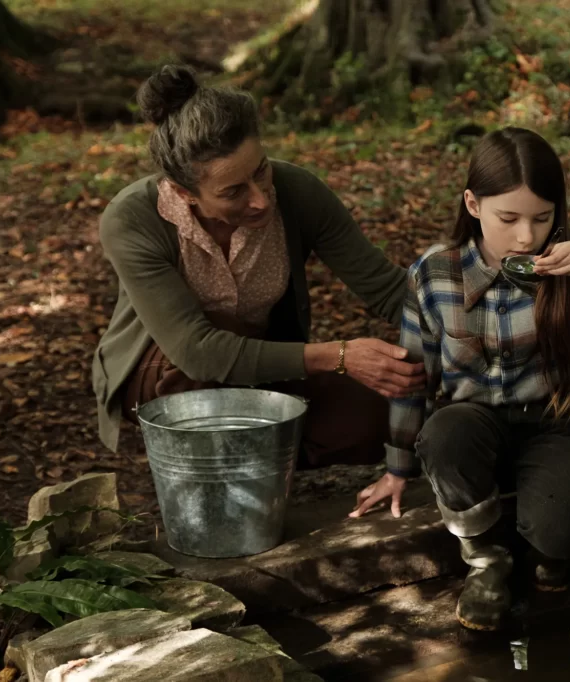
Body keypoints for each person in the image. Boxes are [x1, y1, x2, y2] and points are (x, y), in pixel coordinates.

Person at [349, 127, 570, 631]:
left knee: (561, 538)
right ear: (473, 204)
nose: (525, 237)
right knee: (444, 434)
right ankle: (485, 560)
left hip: (558, 422)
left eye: (542, 217)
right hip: (471, 427)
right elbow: (413, 374)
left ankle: (551, 545)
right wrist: (398, 467)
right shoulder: (436, 272)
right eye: (508, 218)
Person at [91, 65, 424, 468]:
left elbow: (386, 289)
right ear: (184, 192)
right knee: (199, 384)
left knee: (378, 423)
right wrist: (340, 355)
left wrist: (467, 320)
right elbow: (198, 352)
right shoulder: (133, 219)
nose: (261, 199)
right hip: (167, 366)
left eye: (261, 170)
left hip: (264, 359)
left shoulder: (298, 192)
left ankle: (258, 457)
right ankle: (218, 468)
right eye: (233, 191)